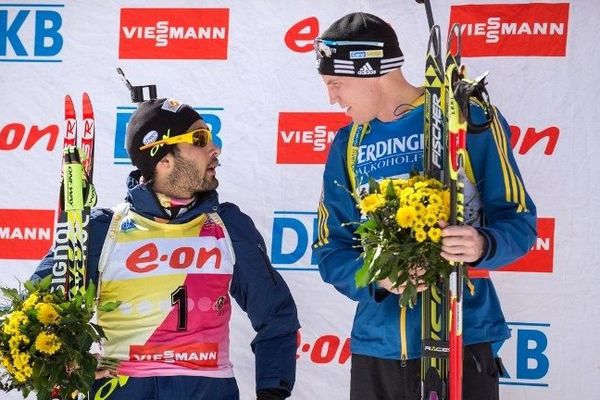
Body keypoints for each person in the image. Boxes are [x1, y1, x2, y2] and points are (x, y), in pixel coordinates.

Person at [312, 12, 537, 400]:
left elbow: (518, 221)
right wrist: (376, 278)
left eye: (336, 83)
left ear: (370, 72)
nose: (332, 97)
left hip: (462, 338)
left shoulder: (466, 118)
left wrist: (482, 245)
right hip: (377, 348)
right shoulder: (348, 143)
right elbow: (331, 251)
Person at [32, 98, 299, 400]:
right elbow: (28, 317)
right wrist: (67, 362)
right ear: (163, 160)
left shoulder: (228, 225)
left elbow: (276, 314)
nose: (215, 149)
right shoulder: (102, 230)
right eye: (199, 139)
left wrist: (271, 393)